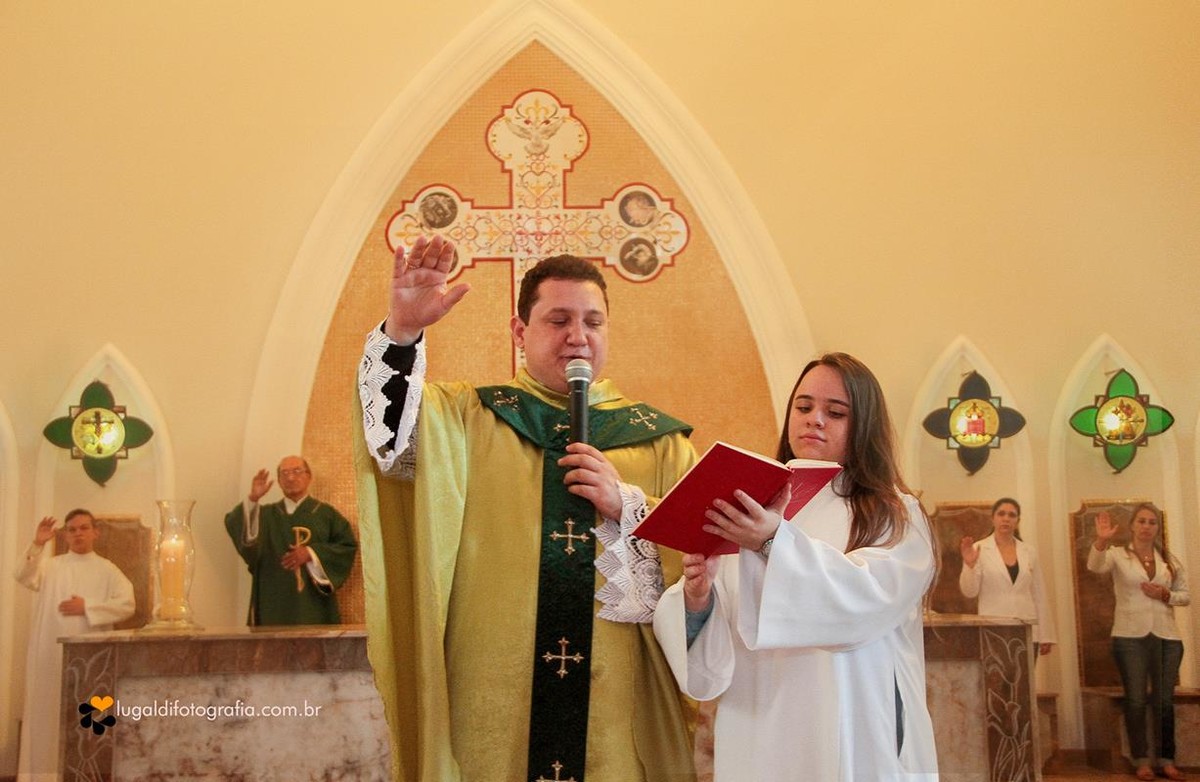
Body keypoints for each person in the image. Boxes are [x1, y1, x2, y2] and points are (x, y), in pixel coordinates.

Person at [355, 235, 699, 782]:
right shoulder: (470, 418)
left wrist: (629, 505)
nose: (578, 337)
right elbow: (390, 446)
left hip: (618, 701)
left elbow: (706, 557)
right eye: (558, 320)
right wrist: (402, 333)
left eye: (593, 322)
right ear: (520, 331)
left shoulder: (659, 443)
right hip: (495, 691)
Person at [653, 353, 939, 781]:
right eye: (803, 407)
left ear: (864, 425)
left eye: (835, 412)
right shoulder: (750, 505)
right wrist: (699, 599)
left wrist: (772, 541)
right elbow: (715, 642)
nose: (814, 420)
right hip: (757, 727)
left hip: (854, 724)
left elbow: (862, 601)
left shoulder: (893, 513)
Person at [15, 509, 135, 780]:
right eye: (72, 529)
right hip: (49, 656)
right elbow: (22, 574)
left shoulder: (108, 570)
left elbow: (128, 605)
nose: (78, 533)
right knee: (46, 716)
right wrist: (38, 543)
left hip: (93, 662)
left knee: (90, 719)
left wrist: (88, 607)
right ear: (66, 535)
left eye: (83, 528)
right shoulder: (51, 566)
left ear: (96, 532)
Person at [1088, 503, 1190, 782]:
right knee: (1135, 699)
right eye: (1142, 521)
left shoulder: (1169, 559)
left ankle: (1167, 760)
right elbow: (1094, 566)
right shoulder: (1118, 555)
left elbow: (1186, 595)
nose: (1147, 527)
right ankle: (1141, 760)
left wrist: (1165, 594)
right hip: (1130, 636)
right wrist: (1101, 540)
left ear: (1157, 528)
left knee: (1164, 701)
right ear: (1132, 525)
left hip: (1167, 636)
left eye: (1152, 522)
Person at [224, 455, 358, 625]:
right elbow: (235, 524)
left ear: (309, 476)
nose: (291, 477)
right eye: (284, 473)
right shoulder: (265, 515)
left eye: (297, 471)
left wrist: (311, 553)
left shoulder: (326, 515)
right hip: (272, 602)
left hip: (313, 604)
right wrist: (253, 498)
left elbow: (346, 547)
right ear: (279, 481)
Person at [958, 497, 1057, 659]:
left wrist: (1045, 634)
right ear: (993, 518)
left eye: (1012, 515)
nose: (1006, 518)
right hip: (994, 628)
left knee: (1025, 682)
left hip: (1026, 627)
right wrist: (969, 565)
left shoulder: (1029, 551)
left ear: (1018, 521)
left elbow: (1039, 594)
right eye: (1001, 514)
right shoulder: (978, 548)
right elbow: (969, 592)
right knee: (996, 681)